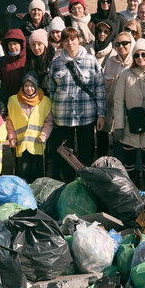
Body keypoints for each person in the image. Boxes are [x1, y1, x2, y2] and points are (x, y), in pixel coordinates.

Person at [48, 27, 106, 181]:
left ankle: (85, 184)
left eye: (73, 39)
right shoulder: (56, 63)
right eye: (66, 40)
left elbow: (99, 89)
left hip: (86, 115)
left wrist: (101, 114)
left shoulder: (91, 61)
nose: (70, 42)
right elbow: (52, 91)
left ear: (79, 40)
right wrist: (51, 116)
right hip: (62, 116)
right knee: (66, 153)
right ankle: (68, 184)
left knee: (86, 153)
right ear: (62, 43)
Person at [112, 39, 145, 193]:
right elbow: (118, 101)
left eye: (144, 54)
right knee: (130, 163)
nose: (140, 58)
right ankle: (133, 193)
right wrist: (118, 125)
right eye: (137, 55)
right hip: (129, 125)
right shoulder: (126, 75)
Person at [6, 72, 53, 182]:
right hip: (21, 144)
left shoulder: (45, 101)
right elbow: (10, 121)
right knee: (23, 173)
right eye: (26, 85)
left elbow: (49, 121)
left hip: (38, 144)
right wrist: (11, 137)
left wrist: (44, 135)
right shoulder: (13, 100)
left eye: (32, 86)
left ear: (36, 86)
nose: (29, 88)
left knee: (38, 173)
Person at [102, 31, 134, 155]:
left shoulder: (136, 60)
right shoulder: (110, 61)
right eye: (117, 44)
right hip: (114, 113)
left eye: (125, 43)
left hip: (130, 113)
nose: (121, 46)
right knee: (117, 147)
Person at [0, 29, 27, 97]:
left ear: (21, 44)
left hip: (24, 98)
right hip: (6, 98)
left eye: (15, 44)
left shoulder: (28, 60)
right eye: (10, 44)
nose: (12, 47)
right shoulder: (2, 61)